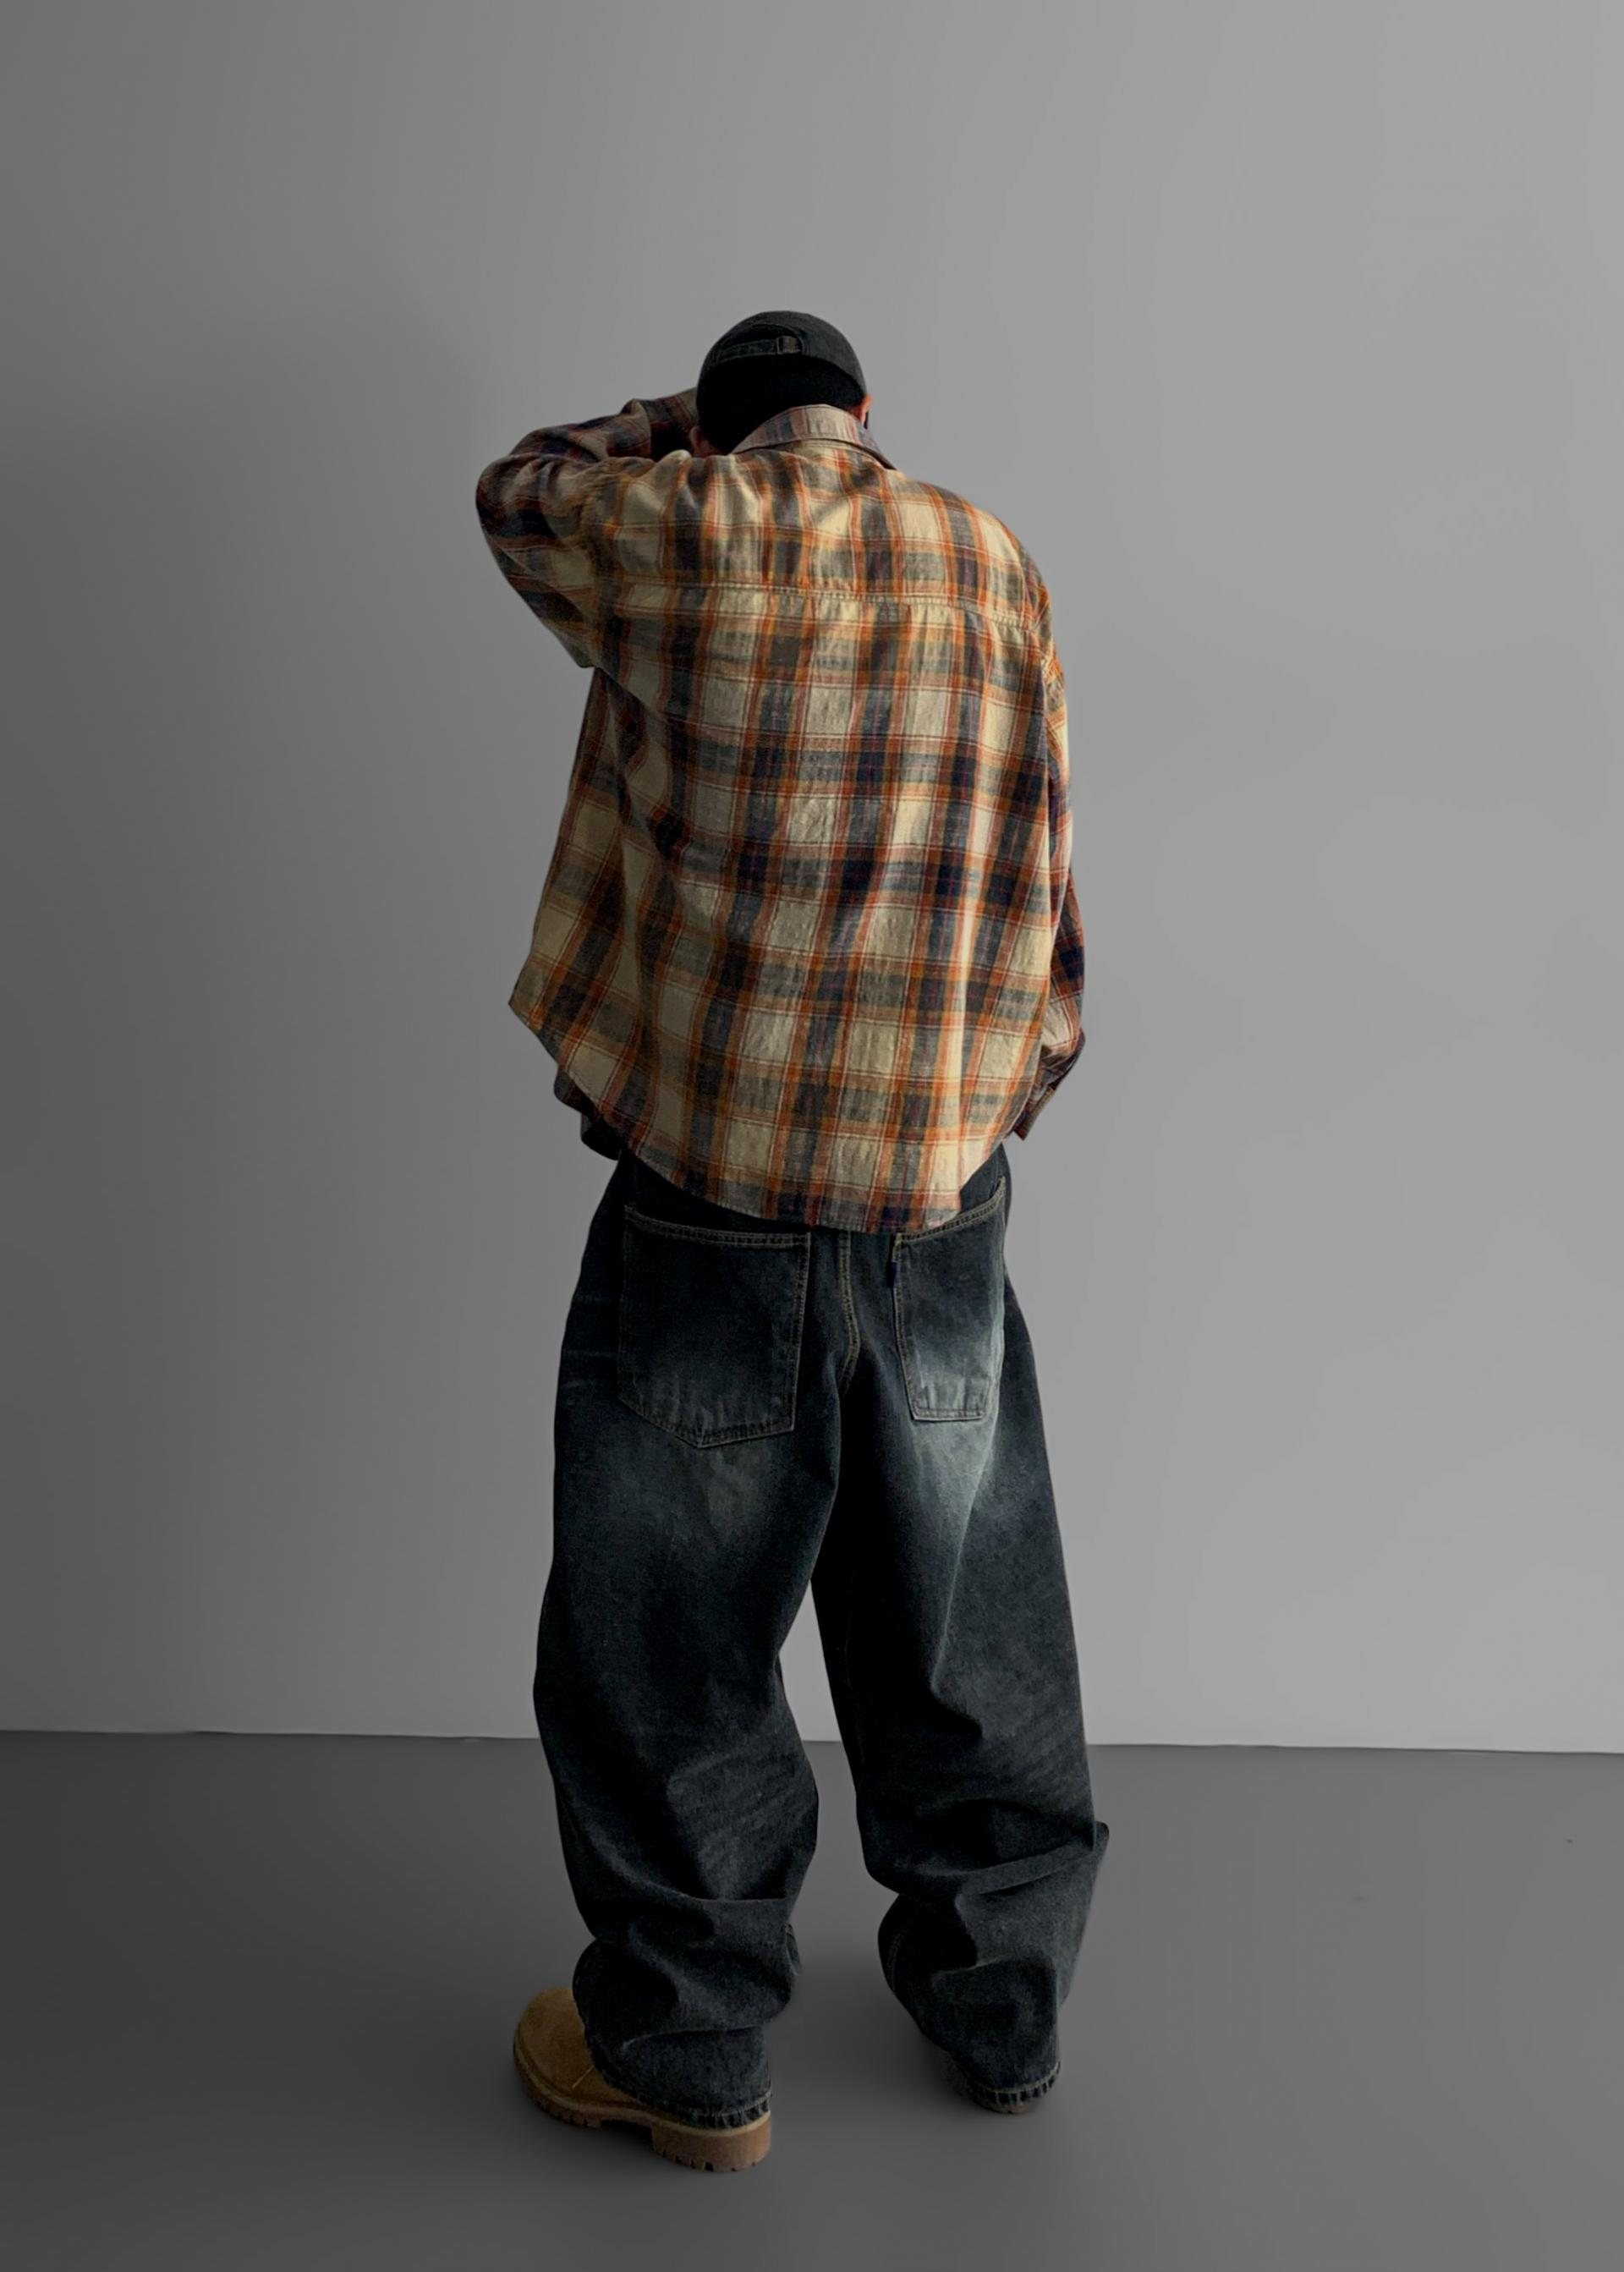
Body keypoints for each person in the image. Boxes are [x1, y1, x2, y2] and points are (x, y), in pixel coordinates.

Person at [475, 310, 1110, 2172]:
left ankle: (687, 2052)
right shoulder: (993, 557)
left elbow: (518, 491)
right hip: (938, 1193)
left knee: (672, 1637)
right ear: (865, 417)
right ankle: (1003, 2009)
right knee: (968, 1617)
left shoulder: (679, 529)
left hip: (713, 1197)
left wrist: (681, 424)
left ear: (729, 428)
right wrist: (987, 1114)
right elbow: (1051, 894)